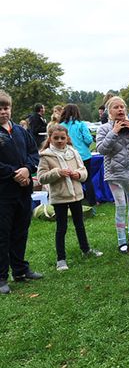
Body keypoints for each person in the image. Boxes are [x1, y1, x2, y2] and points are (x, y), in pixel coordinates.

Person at [37, 125, 103, 271]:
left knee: (80, 224)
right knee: (62, 227)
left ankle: (86, 249)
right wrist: (57, 172)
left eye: (62, 138)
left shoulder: (73, 152)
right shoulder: (45, 156)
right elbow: (41, 178)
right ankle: (61, 259)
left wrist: (78, 175)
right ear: (50, 139)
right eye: (56, 138)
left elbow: (84, 171)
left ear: (67, 138)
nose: (60, 141)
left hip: (76, 195)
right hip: (60, 198)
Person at [0, 90, 42, 295]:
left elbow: (34, 154)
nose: (3, 111)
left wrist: (27, 168)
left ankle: (20, 270)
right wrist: (13, 173)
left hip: (24, 190)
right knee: (2, 234)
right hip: (3, 192)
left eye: (6, 107)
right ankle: (1, 277)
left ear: (11, 108)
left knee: (20, 231)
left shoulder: (20, 131)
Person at [96, 96, 129, 253]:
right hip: (114, 174)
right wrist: (114, 132)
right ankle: (122, 241)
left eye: (122, 107)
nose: (120, 110)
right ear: (109, 111)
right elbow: (101, 149)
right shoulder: (104, 129)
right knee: (121, 206)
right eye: (116, 107)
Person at [59, 104, 97, 209]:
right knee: (87, 178)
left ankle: (74, 201)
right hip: (84, 155)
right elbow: (89, 139)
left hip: (67, 156)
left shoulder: (61, 126)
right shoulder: (81, 124)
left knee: (71, 179)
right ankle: (92, 201)